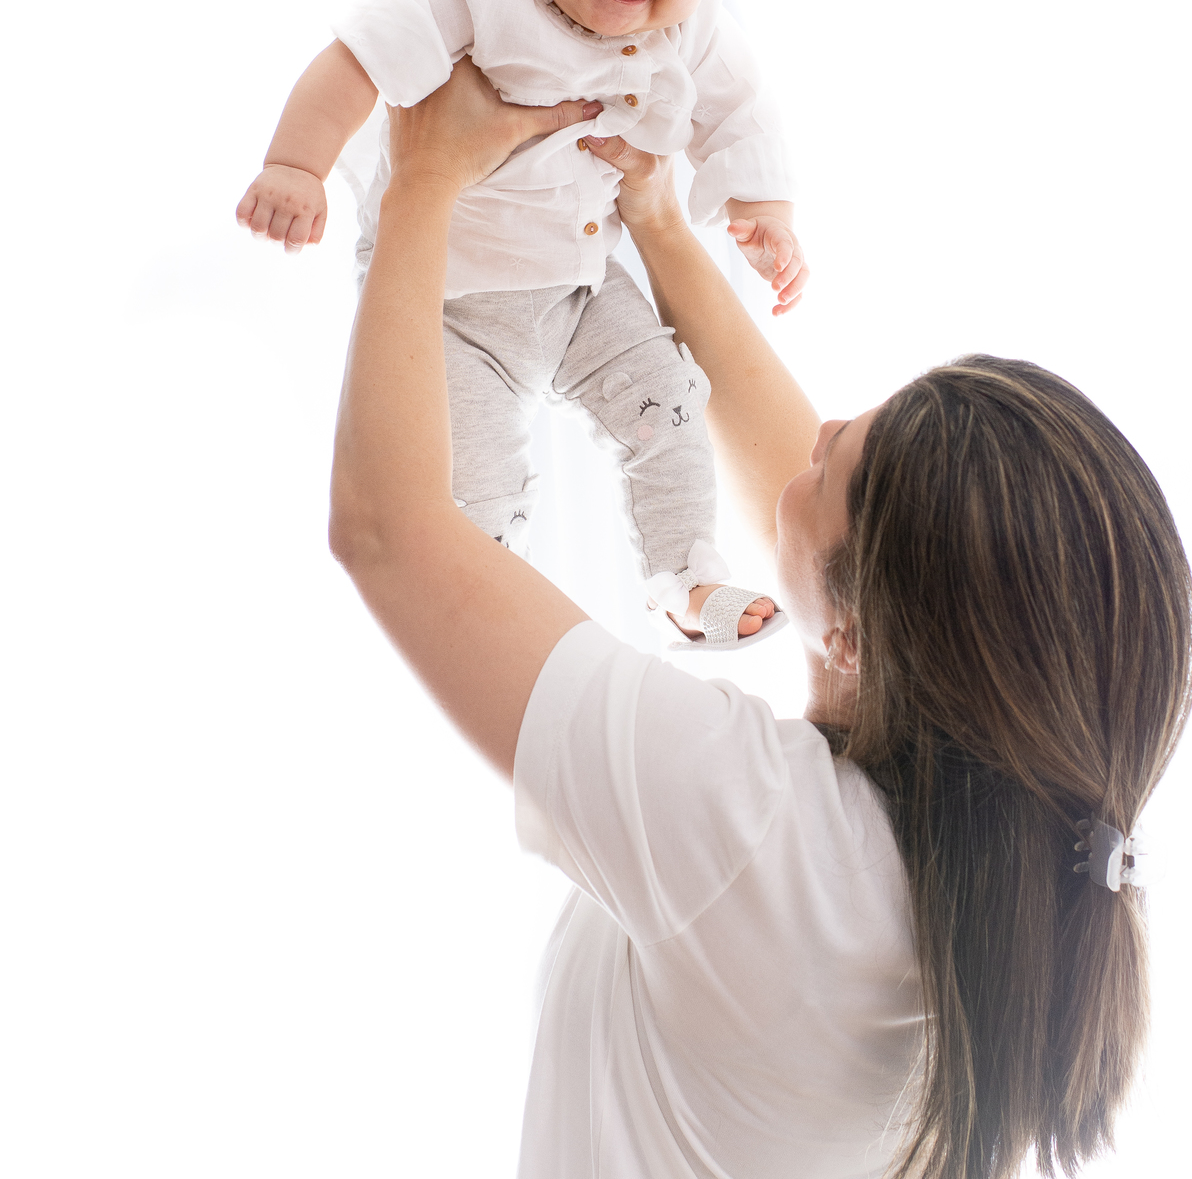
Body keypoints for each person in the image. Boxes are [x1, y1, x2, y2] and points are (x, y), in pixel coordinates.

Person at [328, 58, 1191, 1179]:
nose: (818, 424)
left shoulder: (748, 828)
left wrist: (422, 179)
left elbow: (390, 532)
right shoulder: (978, 908)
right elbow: (846, 540)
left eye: (840, 451)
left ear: (864, 637)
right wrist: (655, 222)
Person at [238, 0, 807, 646]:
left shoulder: (694, 27)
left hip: (582, 287)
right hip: (450, 300)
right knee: (476, 472)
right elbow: (355, 58)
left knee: (670, 404)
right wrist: (295, 166)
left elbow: (742, 115)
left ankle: (685, 577)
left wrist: (764, 210)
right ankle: (483, 597)